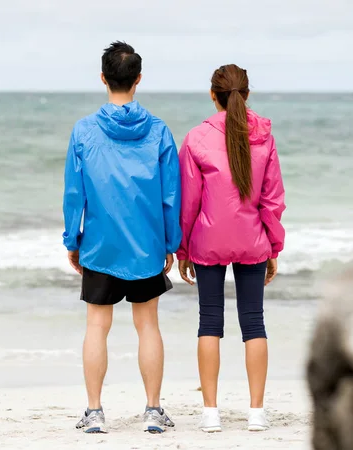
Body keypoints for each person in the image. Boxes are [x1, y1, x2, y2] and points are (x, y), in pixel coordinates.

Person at [62, 41, 182, 434]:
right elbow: (170, 195)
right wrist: (170, 243)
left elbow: (73, 193)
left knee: (97, 325)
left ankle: (95, 413)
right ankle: (152, 411)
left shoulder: (84, 131)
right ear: (139, 80)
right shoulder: (159, 131)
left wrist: (72, 241)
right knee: (147, 325)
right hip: (146, 244)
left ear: (103, 78)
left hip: (100, 244)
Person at [177, 64, 286, 433]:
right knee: (254, 323)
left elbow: (188, 202)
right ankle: (256, 412)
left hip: (207, 242)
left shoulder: (195, 138)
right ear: (247, 95)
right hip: (253, 240)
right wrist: (273, 247)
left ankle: (210, 412)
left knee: (210, 322)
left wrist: (183, 249)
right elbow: (272, 201)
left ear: (213, 95)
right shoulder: (264, 137)